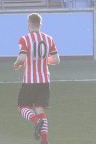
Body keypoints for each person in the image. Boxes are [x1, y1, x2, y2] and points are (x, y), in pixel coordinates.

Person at [14, 13, 60, 144]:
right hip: (44, 80)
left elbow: (22, 58)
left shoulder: (25, 39)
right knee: (40, 110)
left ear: (28, 24)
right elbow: (56, 60)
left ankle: (36, 121)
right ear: (40, 24)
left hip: (30, 81)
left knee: (22, 108)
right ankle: (44, 141)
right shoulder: (49, 39)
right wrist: (45, 60)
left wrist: (16, 64)